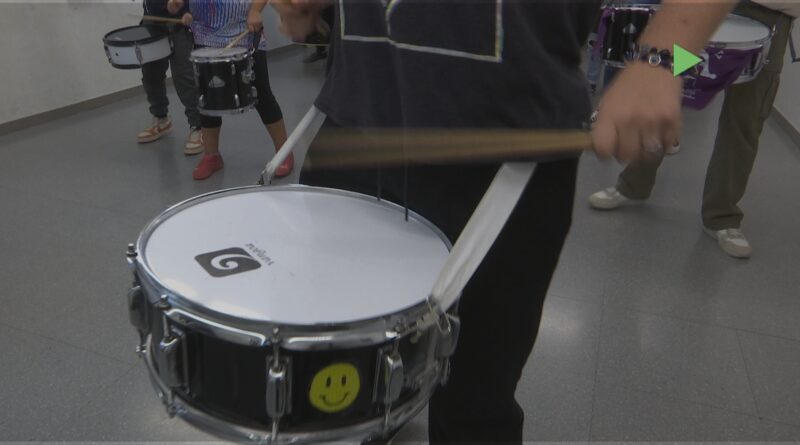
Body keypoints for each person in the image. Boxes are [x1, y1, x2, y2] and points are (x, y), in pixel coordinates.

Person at [273, 1, 736, 443]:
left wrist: (662, 60)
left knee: (473, 405)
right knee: (333, 384)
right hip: (352, 128)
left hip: (505, 163)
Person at [590, 0, 798, 259]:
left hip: (771, 14)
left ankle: (722, 217)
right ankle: (632, 185)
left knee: (745, 120)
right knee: (662, 94)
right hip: (703, 7)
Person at [167, 0, 294, 180]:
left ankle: (284, 151)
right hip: (204, 37)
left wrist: (255, 10)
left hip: (244, 34)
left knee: (261, 94)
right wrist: (181, 6)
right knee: (207, 98)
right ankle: (212, 156)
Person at [138, 0, 204, 155]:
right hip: (153, 19)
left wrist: (190, 9)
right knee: (150, 75)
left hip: (181, 21)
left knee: (184, 76)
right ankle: (161, 118)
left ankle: (199, 126)